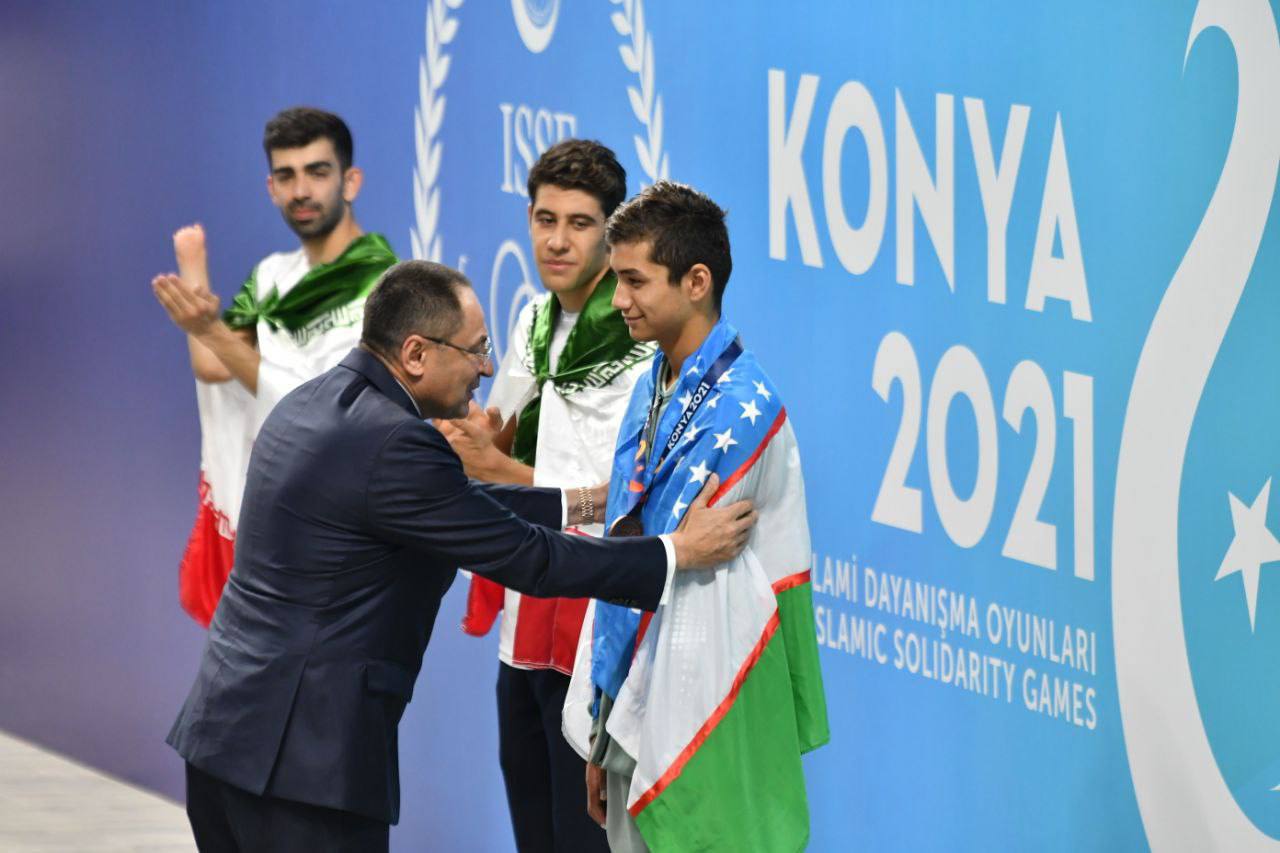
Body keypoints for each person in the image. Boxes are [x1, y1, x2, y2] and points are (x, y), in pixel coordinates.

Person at [166, 260, 757, 852]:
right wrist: (674, 552)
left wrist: (591, 501)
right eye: (476, 350)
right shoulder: (396, 441)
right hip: (301, 772)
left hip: (224, 743)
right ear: (416, 353)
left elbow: (455, 505)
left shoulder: (315, 403)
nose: (488, 367)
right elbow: (531, 560)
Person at [562, 181, 831, 852]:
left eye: (634, 280)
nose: (617, 299)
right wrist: (603, 727)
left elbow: (670, 569)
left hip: (695, 715)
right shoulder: (653, 383)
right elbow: (635, 547)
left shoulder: (742, 410)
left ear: (697, 281)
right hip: (632, 702)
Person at [440, 139, 653, 853]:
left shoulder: (639, 340)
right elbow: (494, 439)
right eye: (544, 219)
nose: (557, 240)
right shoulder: (533, 319)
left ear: (613, 233)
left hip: (597, 611)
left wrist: (500, 474)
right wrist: (467, 442)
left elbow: (628, 500)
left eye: (580, 223)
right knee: (534, 826)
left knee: (583, 833)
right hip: (527, 606)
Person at [151, 106, 397, 627]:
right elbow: (212, 365)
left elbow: (321, 407)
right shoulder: (271, 276)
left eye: (317, 172)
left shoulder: (386, 289)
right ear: (271, 189)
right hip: (268, 535)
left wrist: (212, 329)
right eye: (286, 176)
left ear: (351, 182)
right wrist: (194, 272)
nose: (301, 190)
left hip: (336, 544)